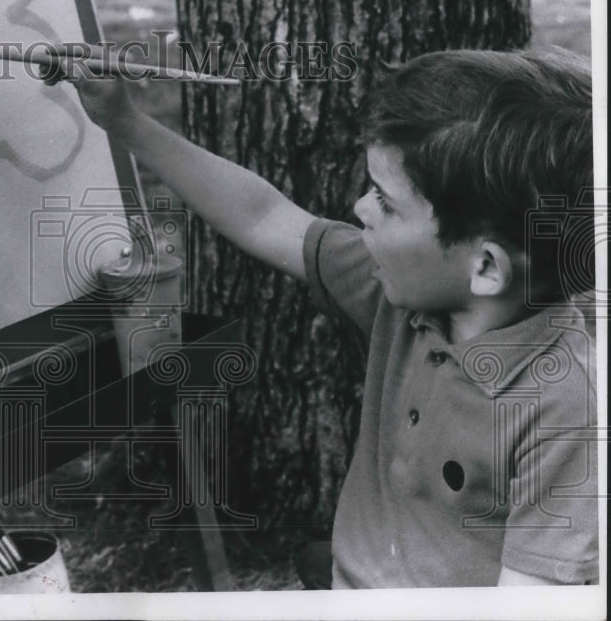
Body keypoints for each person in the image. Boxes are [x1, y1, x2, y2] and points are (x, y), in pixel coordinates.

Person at [47, 48, 599, 588]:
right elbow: (263, 216)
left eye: (385, 201)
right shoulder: (405, 292)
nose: (360, 208)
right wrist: (124, 120)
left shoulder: (565, 411)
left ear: (484, 266)